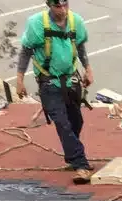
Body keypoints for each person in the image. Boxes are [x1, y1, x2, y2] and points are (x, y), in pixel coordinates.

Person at [16, 0, 95, 184]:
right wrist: (19, 80)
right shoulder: (37, 24)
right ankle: (80, 164)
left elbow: (80, 46)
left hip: (70, 80)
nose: (63, 10)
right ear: (49, 6)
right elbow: (25, 51)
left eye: (65, 5)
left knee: (76, 121)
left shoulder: (76, 21)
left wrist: (88, 69)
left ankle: (72, 156)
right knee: (62, 123)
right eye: (58, 7)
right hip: (48, 82)